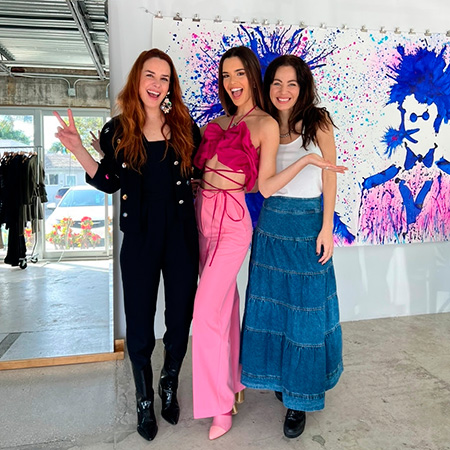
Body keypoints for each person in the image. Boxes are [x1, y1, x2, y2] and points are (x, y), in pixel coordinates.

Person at [53, 49, 200, 442]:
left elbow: (201, 174)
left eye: (164, 78)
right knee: (138, 321)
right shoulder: (117, 130)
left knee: (180, 316)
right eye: (150, 75)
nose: (157, 84)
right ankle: (143, 398)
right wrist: (77, 149)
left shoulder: (185, 127)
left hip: (181, 234)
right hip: (139, 236)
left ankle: (169, 382)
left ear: (171, 86)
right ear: (137, 79)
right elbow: (109, 181)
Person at [240, 54, 347, 439]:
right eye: (276, 83)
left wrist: (326, 227)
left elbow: (330, 176)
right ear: (267, 87)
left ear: (303, 88)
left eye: (292, 84)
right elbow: (259, 181)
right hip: (272, 227)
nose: (283, 91)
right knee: (274, 309)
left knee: (306, 315)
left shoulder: (318, 121)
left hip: (307, 225)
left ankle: (299, 400)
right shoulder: (264, 124)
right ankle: (279, 377)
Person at [190, 46, 279, 440]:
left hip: (233, 219)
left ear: (252, 76)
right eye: (226, 75)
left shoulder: (265, 124)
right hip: (201, 214)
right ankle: (235, 381)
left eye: (239, 73)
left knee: (205, 312)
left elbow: (265, 185)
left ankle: (219, 404)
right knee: (224, 306)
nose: (232, 82)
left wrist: (307, 163)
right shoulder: (217, 122)